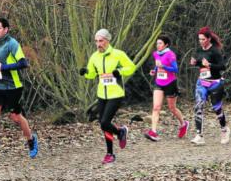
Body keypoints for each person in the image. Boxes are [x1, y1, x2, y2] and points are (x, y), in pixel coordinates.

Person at [0, 18, 38, 161]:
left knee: (15, 116)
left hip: (12, 87)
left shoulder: (12, 44)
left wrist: (2, 68)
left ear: (6, 29)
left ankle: (31, 140)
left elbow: (23, 63)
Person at [79, 29, 136, 163]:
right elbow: (92, 74)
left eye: (101, 41)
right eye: (96, 41)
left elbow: (131, 67)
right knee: (104, 124)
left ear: (107, 41)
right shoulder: (94, 57)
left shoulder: (118, 54)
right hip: (101, 94)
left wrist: (119, 72)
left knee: (104, 122)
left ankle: (120, 131)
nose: (98, 44)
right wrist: (85, 72)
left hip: (116, 93)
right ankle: (110, 153)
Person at [144, 35, 189, 141]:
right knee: (156, 107)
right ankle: (153, 132)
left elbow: (175, 69)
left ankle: (183, 124)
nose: (157, 45)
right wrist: (154, 71)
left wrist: (163, 67)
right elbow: (157, 65)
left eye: (160, 43)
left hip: (170, 83)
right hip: (159, 83)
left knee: (172, 108)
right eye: (157, 43)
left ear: (166, 44)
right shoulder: (156, 54)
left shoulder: (170, 54)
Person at [190, 27, 230, 145]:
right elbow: (200, 63)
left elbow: (223, 67)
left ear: (209, 39)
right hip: (202, 82)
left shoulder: (215, 51)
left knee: (216, 108)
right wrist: (194, 63)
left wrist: (210, 65)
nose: (201, 41)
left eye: (203, 39)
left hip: (215, 83)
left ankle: (224, 130)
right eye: (199, 39)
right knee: (198, 106)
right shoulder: (198, 50)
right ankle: (199, 135)